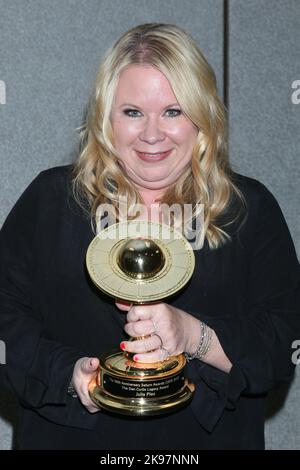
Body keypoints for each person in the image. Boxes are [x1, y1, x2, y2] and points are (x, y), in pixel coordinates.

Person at [0, 23, 299, 450]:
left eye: (173, 111)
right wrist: (68, 373)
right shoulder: (51, 202)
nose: (152, 134)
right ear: (106, 118)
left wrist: (193, 335)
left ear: (203, 117)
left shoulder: (248, 210)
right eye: (133, 112)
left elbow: (283, 342)